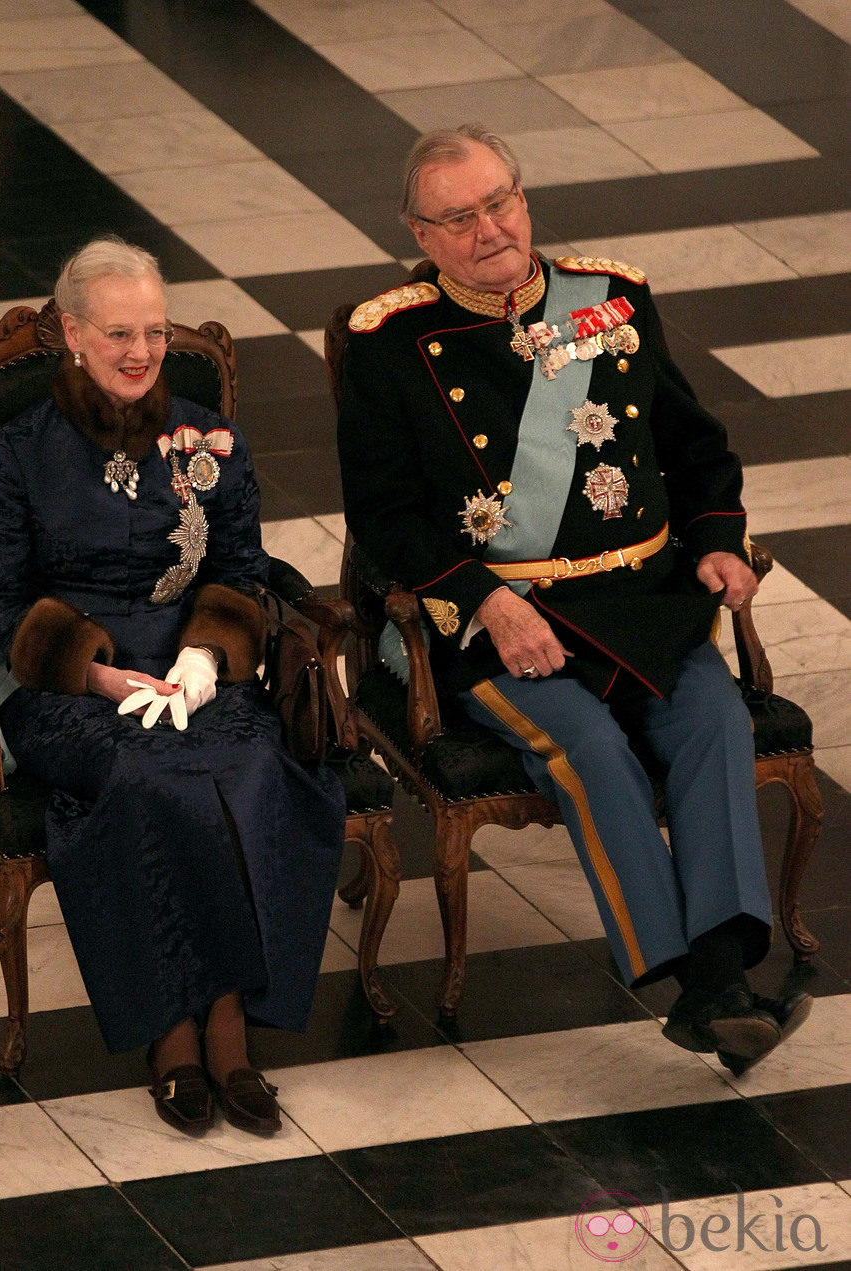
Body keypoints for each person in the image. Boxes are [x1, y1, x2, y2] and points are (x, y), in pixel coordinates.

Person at [337, 123, 811, 1076]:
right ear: (419, 236)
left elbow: (697, 449)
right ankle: (690, 982)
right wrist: (482, 601)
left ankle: (722, 980)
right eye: (459, 218)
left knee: (715, 719)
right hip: (507, 626)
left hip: (642, 598)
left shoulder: (614, 301)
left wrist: (717, 541)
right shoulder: (389, 342)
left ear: (525, 198)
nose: (489, 229)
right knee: (587, 744)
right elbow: (386, 517)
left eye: (500, 202)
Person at [0, 236, 345, 1135]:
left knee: (254, 771)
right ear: (70, 333)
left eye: (155, 332)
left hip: (195, 669)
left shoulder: (208, 434)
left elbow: (245, 564)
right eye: (118, 333)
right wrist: (94, 674)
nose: (140, 353)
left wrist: (208, 656)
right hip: (68, 687)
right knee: (146, 780)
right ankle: (177, 1034)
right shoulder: (13, 451)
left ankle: (227, 1025)